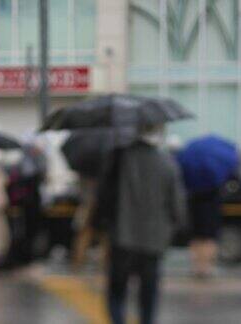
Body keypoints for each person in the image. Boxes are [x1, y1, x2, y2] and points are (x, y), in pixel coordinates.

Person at [94, 125, 186, 324]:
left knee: (117, 289)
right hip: (154, 238)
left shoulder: (119, 159)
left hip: (122, 235)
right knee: (149, 291)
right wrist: (175, 228)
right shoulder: (167, 163)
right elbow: (177, 205)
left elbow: (103, 196)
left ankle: (118, 320)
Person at [188, 188, 222, 279]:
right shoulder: (215, 188)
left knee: (197, 239)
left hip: (196, 212)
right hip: (210, 213)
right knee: (208, 240)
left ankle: (198, 267)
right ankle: (206, 268)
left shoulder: (193, 190)